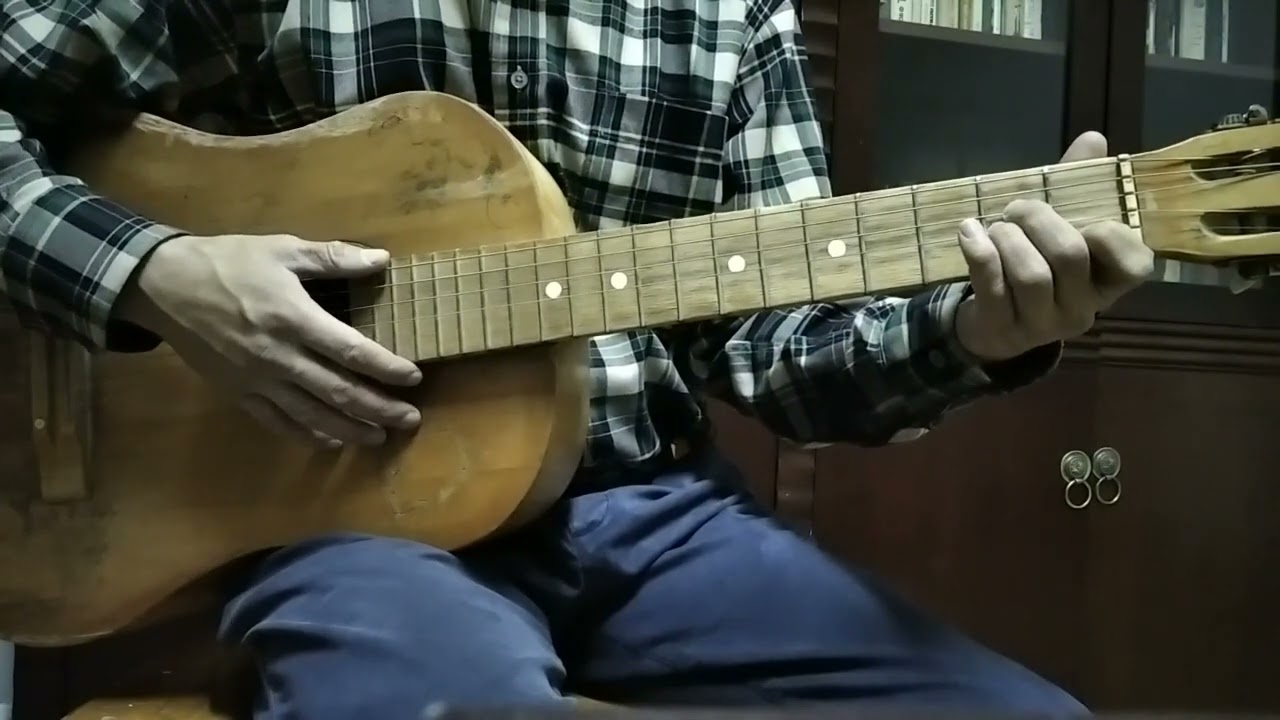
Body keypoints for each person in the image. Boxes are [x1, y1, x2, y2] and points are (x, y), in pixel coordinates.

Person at [1, 1, 1153, 718]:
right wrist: (150, 274)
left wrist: (972, 331)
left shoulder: (729, 15)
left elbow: (779, 354)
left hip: (652, 518)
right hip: (345, 515)